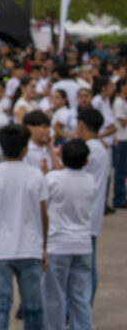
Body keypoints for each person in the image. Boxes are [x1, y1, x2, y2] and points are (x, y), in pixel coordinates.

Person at [0, 124, 49, 330]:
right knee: (33, 309)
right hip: (30, 248)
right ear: (25, 150)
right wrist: (44, 247)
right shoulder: (36, 175)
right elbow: (43, 216)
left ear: (1, 148)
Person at [43, 139, 95, 330]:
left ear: (61, 156)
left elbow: (43, 205)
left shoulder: (52, 179)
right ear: (86, 161)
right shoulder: (89, 180)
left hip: (58, 244)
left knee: (54, 297)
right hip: (82, 244)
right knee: (80, 297)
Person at [77, 108, 108, 305]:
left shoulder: (88, 149)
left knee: (85, 267)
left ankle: (84, 308)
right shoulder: (101, 147)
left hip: (84, 214)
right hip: (92, 213)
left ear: (81, 125)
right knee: (89, 264)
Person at [112, 78, 127, 208]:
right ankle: (119, 197)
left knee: (123, 170)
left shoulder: (124, 102)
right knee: (120, 170)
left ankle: (122, 195)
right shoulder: (119, 103)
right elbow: (122, 123)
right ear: (122, 87)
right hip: (122, 139)